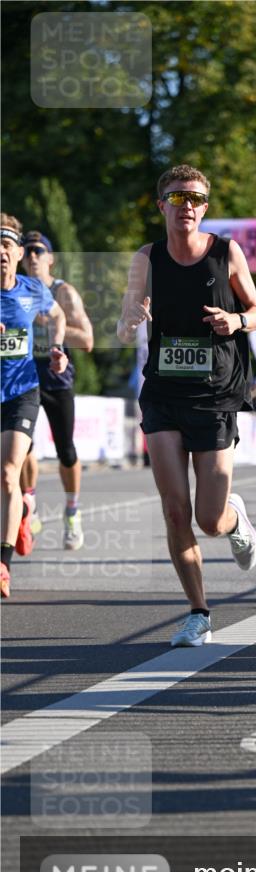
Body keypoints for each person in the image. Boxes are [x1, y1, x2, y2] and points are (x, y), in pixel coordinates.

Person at [117, 165, 256, 646]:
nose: (188, 206)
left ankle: (233, 518)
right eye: (178, 197)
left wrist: (237, 320)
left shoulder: (226, 253)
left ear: (205, 207)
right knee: (175, 512)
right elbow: (121, 329)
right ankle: (199, 613)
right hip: (163, 394)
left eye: (197, 199)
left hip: (215, 394)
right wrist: (133, 319)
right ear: (161, 205)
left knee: (208, 519)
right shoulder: (147, 258)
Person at [1, 214, 67, 599]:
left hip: (22, 391)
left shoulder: (32, 288)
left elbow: (56, 314)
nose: (1, 253)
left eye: (7, 245)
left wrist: (57, 347)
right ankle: (22, 513)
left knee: (9, 473)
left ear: (19, 253)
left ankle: (3, 564)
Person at [20, 231, 93, 549]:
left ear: (50, 258)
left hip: (56, 378)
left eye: (39, 251)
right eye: (28, 251)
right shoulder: (14, 290)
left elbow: (88, 340)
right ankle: (30, 505)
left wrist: (52, 327)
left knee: (66, 451)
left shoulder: (63, 292)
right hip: (23, 378)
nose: (32, 256)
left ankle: (72, 512)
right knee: (21, 447)